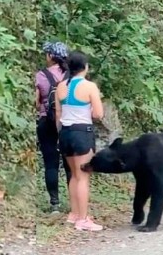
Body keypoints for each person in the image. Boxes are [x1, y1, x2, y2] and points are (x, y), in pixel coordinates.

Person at [55, 50, 104, 231]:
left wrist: (60, 132)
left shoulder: (60, 86)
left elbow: (58, 114)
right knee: (83, 176)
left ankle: (74, 214)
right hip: (82, 133)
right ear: (85, 67)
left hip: (65, 133)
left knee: (74, 175)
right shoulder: (90, 86)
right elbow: (98, 114)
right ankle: (83, 219)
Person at [35, 41, 72, 214]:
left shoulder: (41, 75)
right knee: (70, 163)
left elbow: (37, 102)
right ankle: (75, 203)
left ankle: (55, 204)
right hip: (68, 123)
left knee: (51, 164)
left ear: (51, 56)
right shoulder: (72, 76)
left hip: (47, 122)